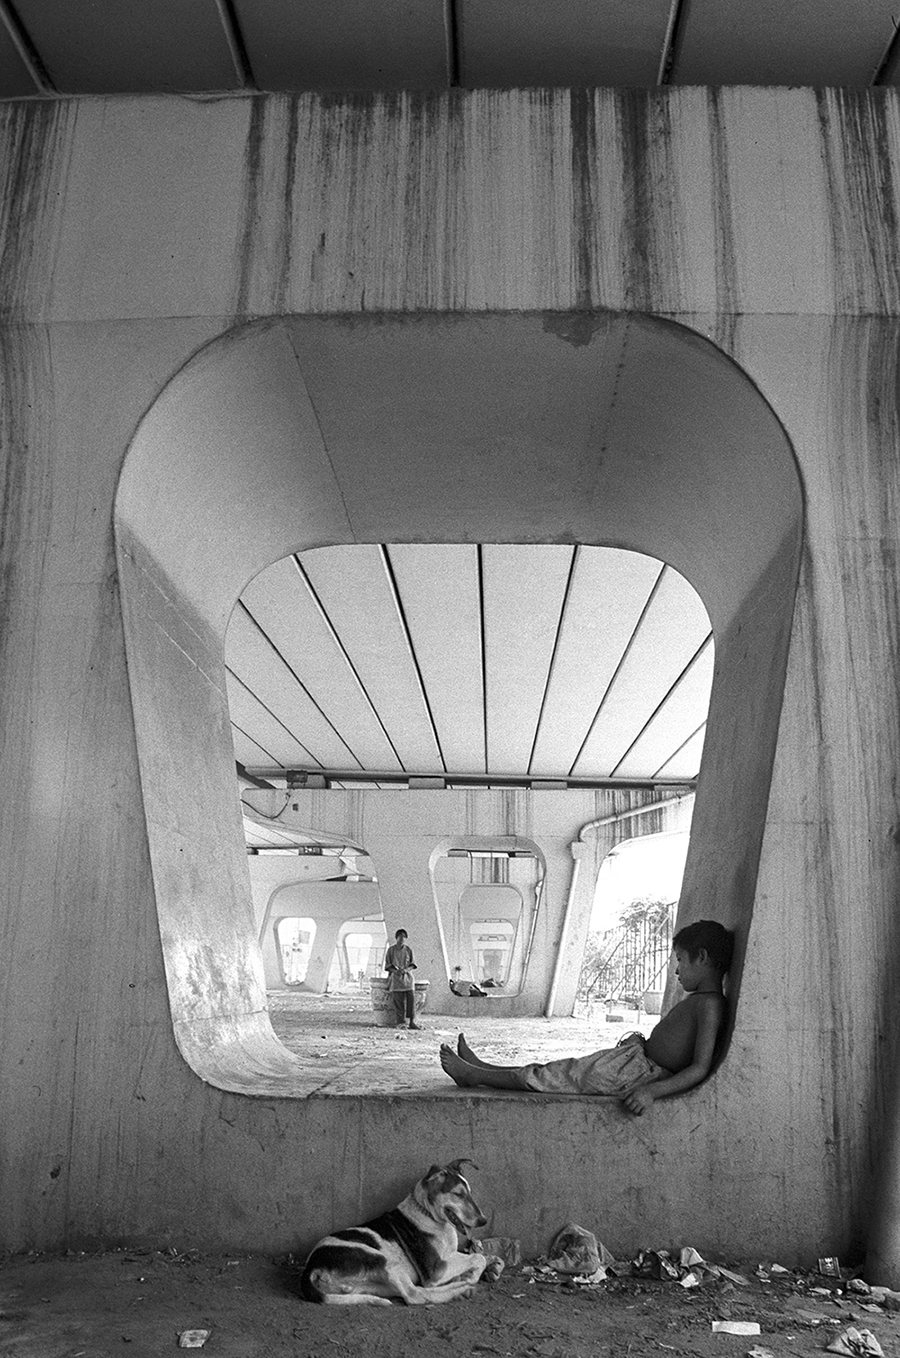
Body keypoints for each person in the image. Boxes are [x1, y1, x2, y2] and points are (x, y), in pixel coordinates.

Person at [438, 919, 733, 1113]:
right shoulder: (701, 1001)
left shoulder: (710, 1006)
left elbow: (699, 1068)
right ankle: (483, 1068)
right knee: (556, 1071)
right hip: (633, 1061)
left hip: (637, 1073)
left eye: (681, 960)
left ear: (703, 958)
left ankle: (474, 1075)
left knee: (553, 1077)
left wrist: (651, 1092)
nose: (678, 970)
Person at [384, 928, 422, 1030]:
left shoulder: (408, 950)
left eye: (404, 938)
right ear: (396, 938)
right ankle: (401, 1022)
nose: (402, 940)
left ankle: (412, 1022)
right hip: (396, 979)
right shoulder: (391, 950)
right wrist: (396, 971)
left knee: (411, 1001)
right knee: (398, 1003)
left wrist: (405, 970)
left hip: (408, 979)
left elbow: (413, 965)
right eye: (400, 937)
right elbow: (388, 966)